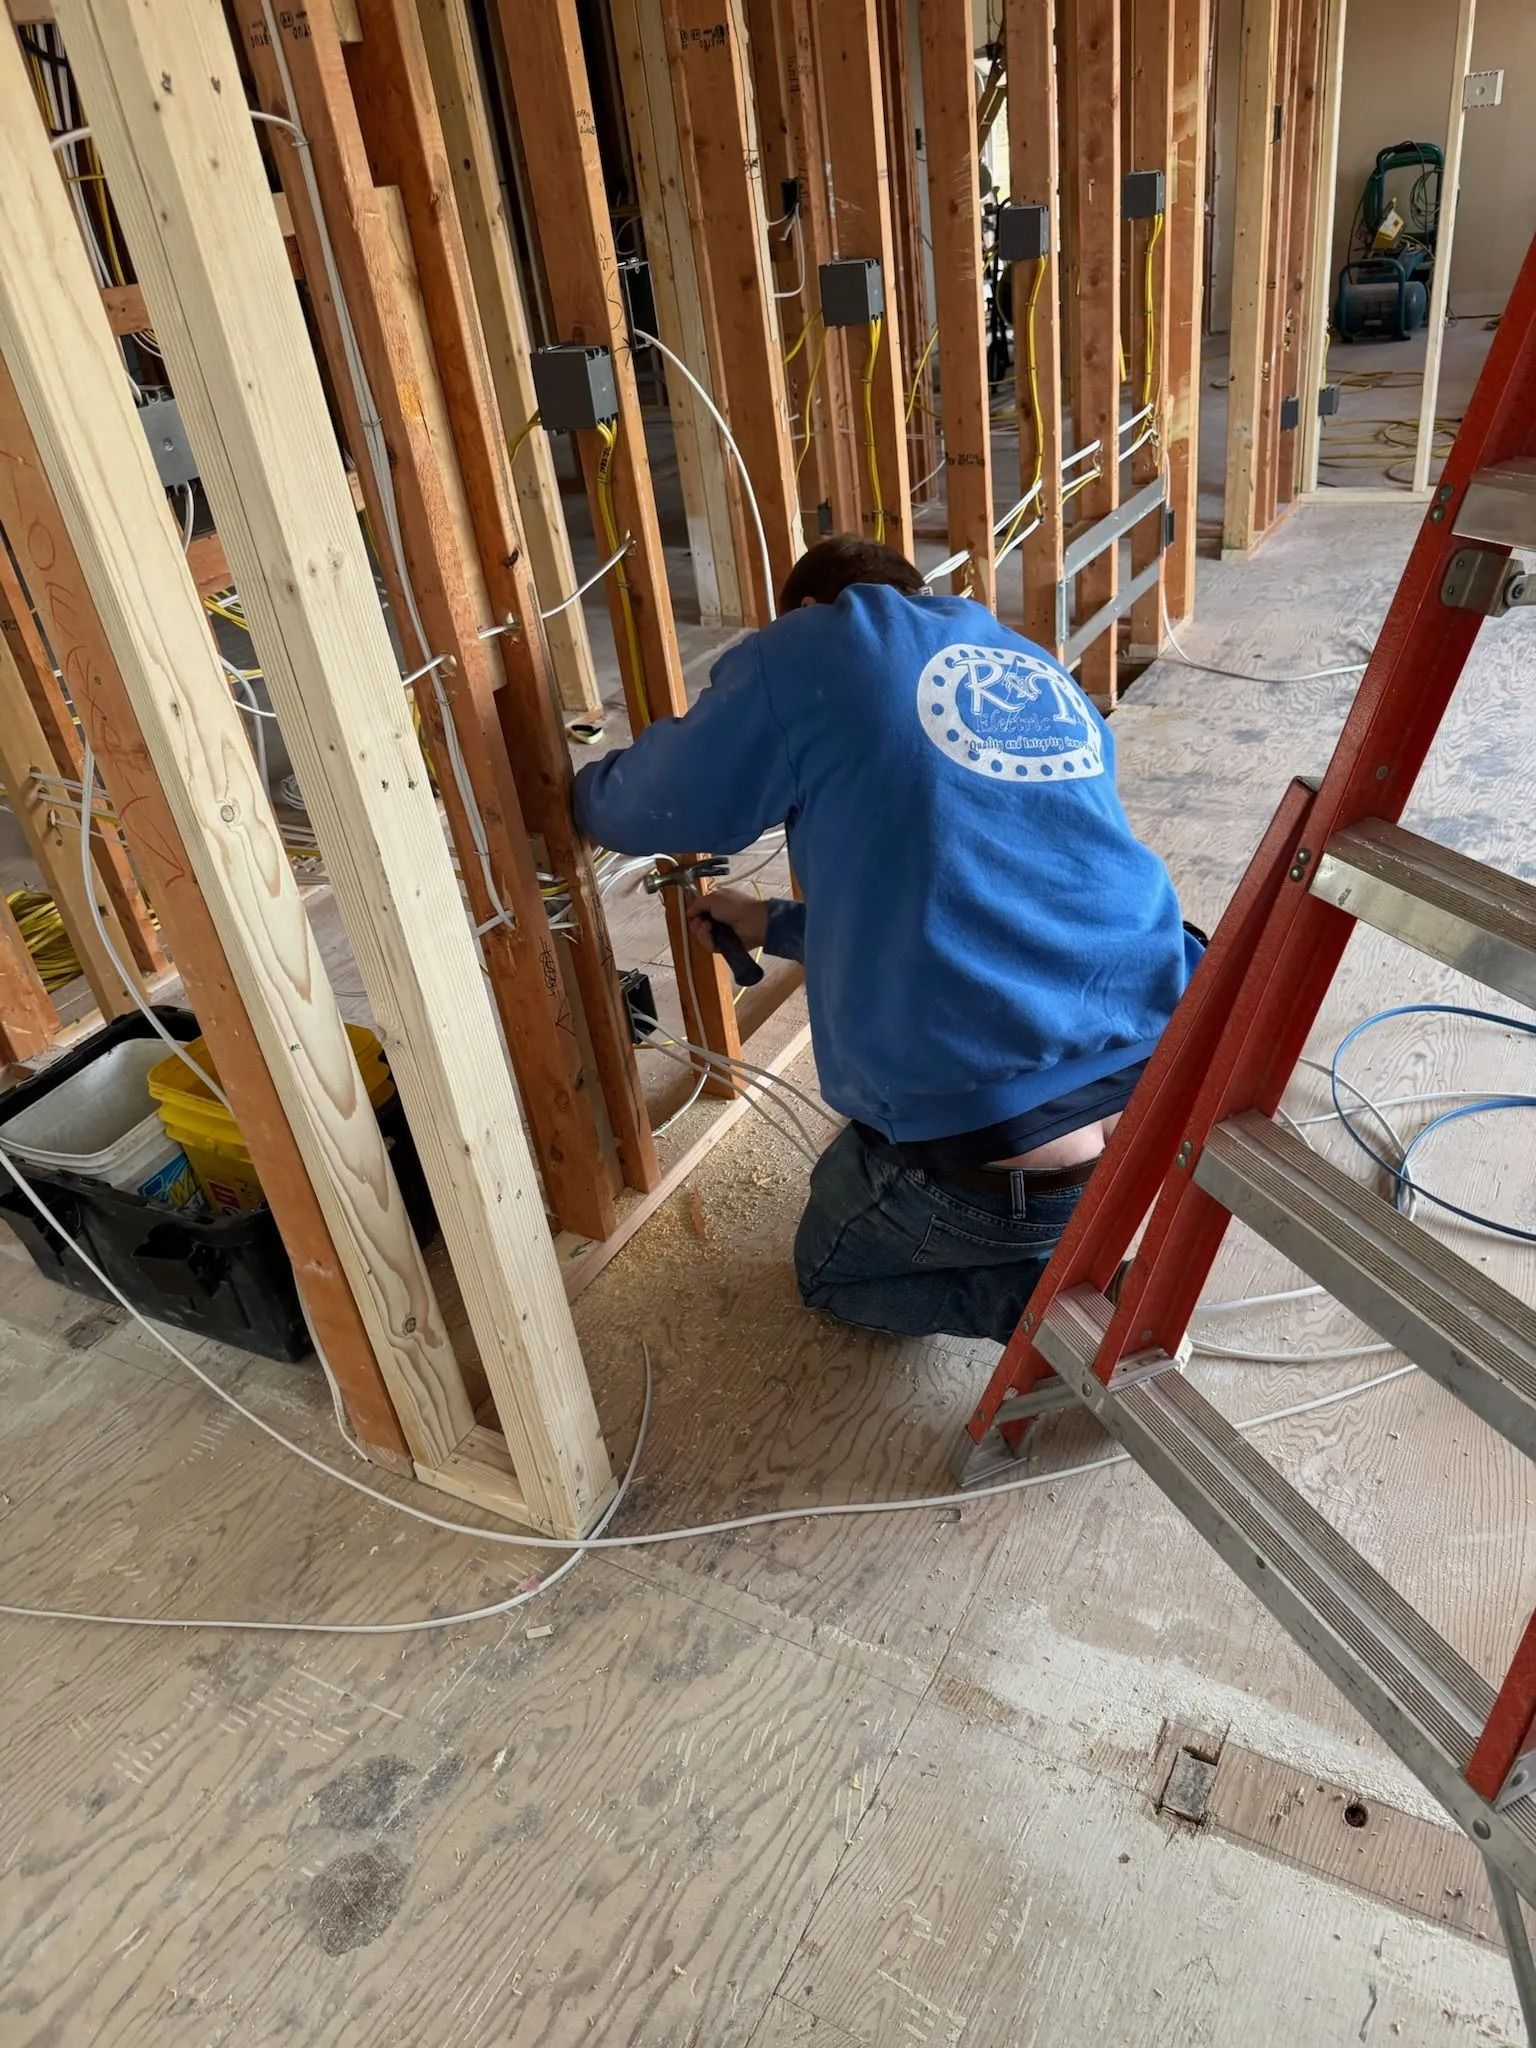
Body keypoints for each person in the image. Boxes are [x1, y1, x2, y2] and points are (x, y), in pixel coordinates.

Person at [573, 535, 1201, 1345]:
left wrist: (569, 789)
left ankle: (1072, 1317)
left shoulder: (818, 640)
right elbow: (968, 890)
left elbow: (651, 805)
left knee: (831, 1269)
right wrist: (774, 923)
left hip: (1010, 1168)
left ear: (806, 611)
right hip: (1153, 1115)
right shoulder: (1024, 664)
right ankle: (1079, 1250)